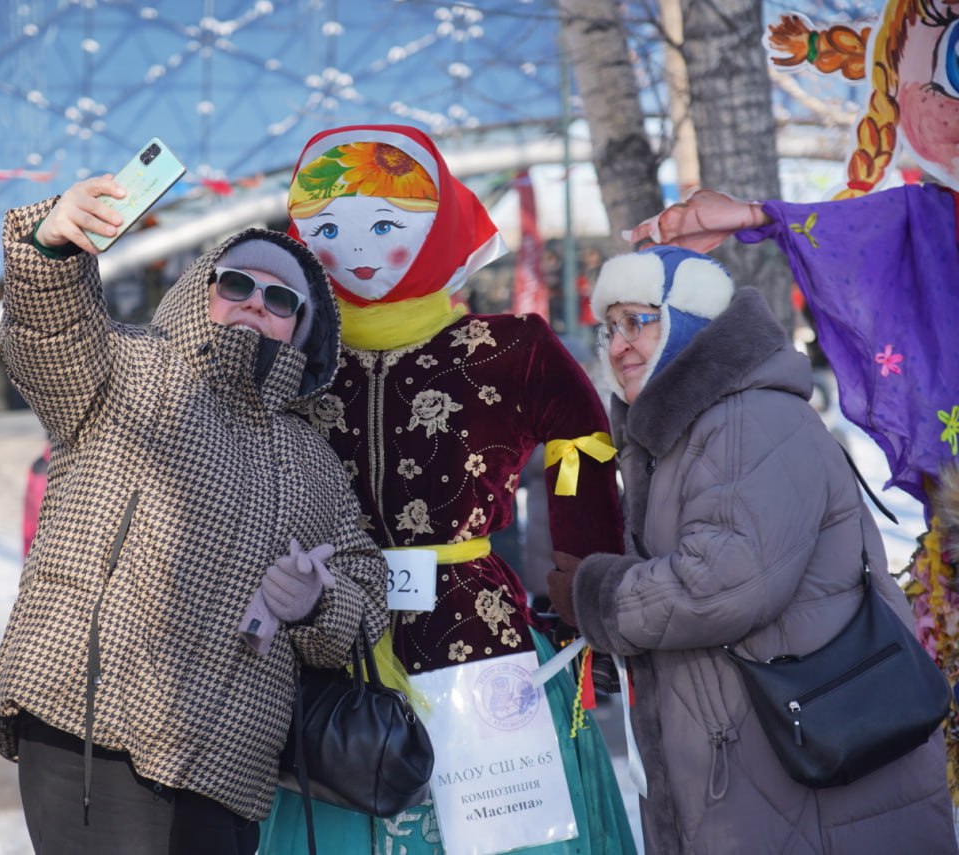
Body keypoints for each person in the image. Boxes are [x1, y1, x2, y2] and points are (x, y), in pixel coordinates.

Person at [0, 173, 389, 855]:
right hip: (89, 716)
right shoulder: (126, 366)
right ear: (201, 290)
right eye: (236, 285)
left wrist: (319, 598)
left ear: (302, 329)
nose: (256, 302)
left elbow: (364, 592)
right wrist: (50, 252)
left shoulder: (313, 459)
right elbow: (49, 335)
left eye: (280, 298)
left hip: (227, 758)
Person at [259, 124, 634, 854]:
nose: (357, 247)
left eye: (388, 225)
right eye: (327, 227)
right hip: (329, 639)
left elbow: (583, 445)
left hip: (476, 635)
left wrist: (582, 586)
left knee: (499, 829)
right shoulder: (288, 360)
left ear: (440, 229)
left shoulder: (510, 350)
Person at [550, 244, 955, 854]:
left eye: (639, 320)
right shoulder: (685, 431)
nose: (617, 345)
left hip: (805, 765)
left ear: (690, 321)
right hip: (767, 755)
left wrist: (599, 598)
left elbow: (723, 583)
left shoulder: (746, 418)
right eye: (608, 327)